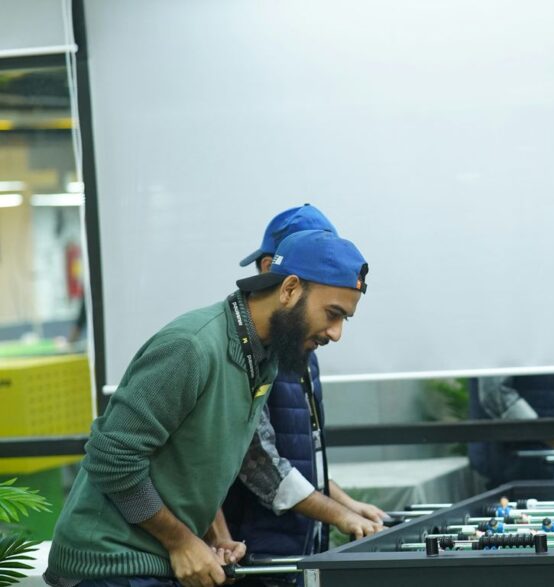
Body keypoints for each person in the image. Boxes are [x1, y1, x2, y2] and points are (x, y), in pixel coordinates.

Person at [45, 229, 370, 587]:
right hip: (109, 566)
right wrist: (181, 540)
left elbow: (195, 459)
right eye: (332, 313)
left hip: (155, 563)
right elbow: (112, 458)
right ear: (289, 289)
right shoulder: (192, 347)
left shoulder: (262, 358)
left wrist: (216, 535)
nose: (336, 333)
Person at [220, 205, 385, 583]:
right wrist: (340, 514)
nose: (334, 332)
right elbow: (260, 462)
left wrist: (347, 504)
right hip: (258, 553)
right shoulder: (242, 351)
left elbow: (303, 453)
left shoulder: (303, 346)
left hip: (301, 546)